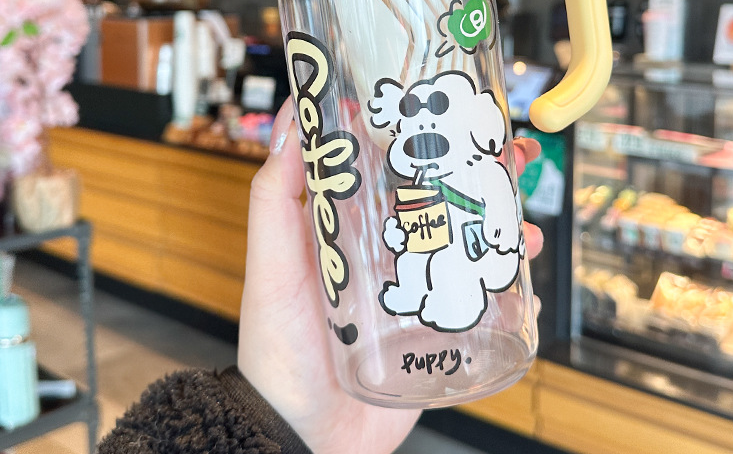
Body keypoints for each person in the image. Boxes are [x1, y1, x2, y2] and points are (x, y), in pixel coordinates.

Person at [98, 99, 544, 454]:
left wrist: (278, 423)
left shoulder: (474, 171)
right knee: (414, 261)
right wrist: (281, 421)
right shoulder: (413, 181)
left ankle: (451, 298)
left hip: (462, 272)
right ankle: (420, 295)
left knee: (455, 266)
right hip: (343, 378)